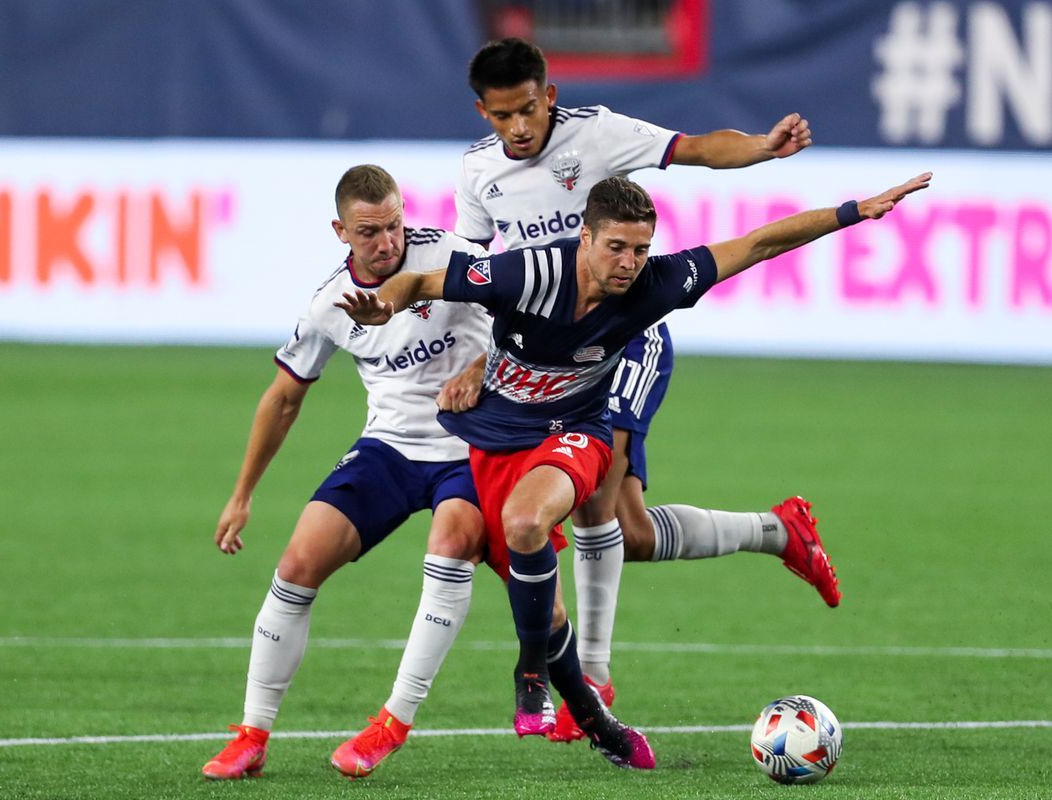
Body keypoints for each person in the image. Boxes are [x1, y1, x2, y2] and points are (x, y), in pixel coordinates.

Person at [338, 171, 932, 760]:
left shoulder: (659, 281)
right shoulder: (526, 273)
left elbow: (756, 244)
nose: (629, 262)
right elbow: (418, 280)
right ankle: (598, 719)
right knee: (570, 580)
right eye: (617, 247)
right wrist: (381, 307)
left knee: (528, 524)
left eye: (641, 248)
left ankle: (532, 676)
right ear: (586, 239)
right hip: (499, 434)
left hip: (578, 431)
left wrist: (854, 211)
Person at [454, 37, 836, 742]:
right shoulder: (476, 173)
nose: (519, 128)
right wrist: (478, 357)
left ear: (551, 96)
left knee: (596, 497)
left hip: (625, 338)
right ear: (484, 111)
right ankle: (777, 530)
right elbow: (476, 269)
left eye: (529, 110)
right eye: (503, 116)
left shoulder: (595, 133)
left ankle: (591, 679)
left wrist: (760, 147)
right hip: (545, 360)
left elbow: (692, 148)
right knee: (626, 531)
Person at [201, 165, 496, 780]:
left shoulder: (452, 256)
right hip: (389, 447)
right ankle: (252, 735)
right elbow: (283, 397)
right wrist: (241, 494)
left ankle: (392, 722)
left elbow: (525, 317)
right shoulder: (329, 305)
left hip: (469, 446)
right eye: (369, 232)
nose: (387, 242)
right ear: (341, 231)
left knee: (451, 547)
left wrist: (480, 365)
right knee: (296, 566)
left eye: (393, 225)